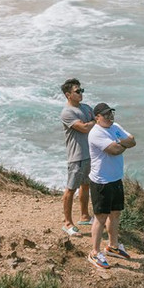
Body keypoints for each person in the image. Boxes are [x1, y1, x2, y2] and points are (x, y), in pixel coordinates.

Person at [86, 102, 136, 270]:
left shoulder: (115, 127)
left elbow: (133, 141)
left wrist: (120, 143)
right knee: (100, 217)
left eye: (111, 113)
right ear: (97, 117)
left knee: (115, 213)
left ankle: (113, 246)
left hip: (116, 178)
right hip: (101, 181)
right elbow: (114, 150)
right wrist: (122, 143)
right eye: (105, 115)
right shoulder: (96, 133)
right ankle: (94, 252)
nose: (109, 117)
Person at [59, 78, 95, 236]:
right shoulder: (67, 112)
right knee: (71, 188)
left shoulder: (86, 108)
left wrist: (91, 122)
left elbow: (95, 122)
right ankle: (67, 223)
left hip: (89, 154)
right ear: (68, 95)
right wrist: (93, 122)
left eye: (82, 90)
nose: (81, 93)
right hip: (77, 156)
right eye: (77, 91)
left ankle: (84, 216)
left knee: (86, 185)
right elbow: (84, 128)